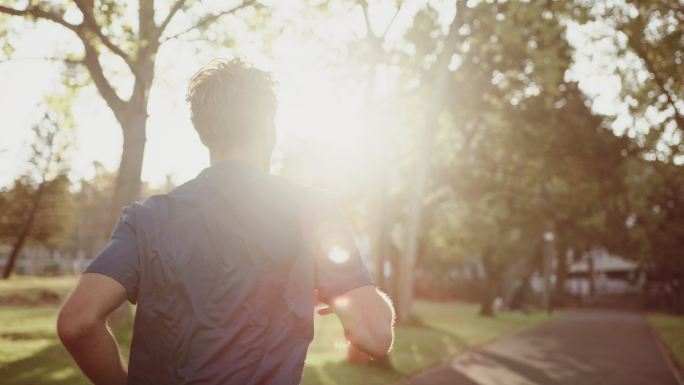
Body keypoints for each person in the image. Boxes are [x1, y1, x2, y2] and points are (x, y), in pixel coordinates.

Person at [56, 58, 395, 385]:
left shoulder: (148, 219)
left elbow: (77, 322)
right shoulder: (313, 210)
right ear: (268, 126)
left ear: (205, 133)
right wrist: (354, 294)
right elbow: (375, 336)